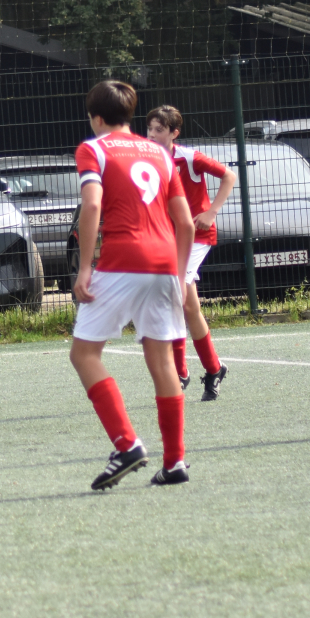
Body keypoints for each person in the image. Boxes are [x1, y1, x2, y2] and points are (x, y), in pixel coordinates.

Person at [70, 80, 195, 488]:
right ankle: (174, 463)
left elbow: (92, 204)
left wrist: (84, 267)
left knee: (84, 354)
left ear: (96, 118)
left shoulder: (93, 149)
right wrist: (179, 275)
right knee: (163, 362)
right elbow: (185, 223)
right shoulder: (160, 153)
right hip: (165, 264)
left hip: (122, 261)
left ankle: (126, 444)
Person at [143, 105, 233, 401]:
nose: (152, 134)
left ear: (174, 133)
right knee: (188, 306)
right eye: (150, 128)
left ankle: (180, 373)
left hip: (196, 235)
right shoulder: (147, 160)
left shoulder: (189, 157)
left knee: (175, 292)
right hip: (169, 238)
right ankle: (214, 368)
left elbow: (229, 176)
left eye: (159, 130)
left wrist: (211, 211)